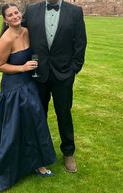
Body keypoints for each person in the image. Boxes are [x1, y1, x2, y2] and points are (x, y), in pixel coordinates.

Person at [0, 3, 57, 193]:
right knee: (13, 128)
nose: (15, 16)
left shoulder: (27, 31)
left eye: (16, 12)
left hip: (29, 85)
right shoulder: (6, 39)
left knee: (35, 123)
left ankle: (39, 164)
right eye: (10, 15)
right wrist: (22, 68)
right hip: (13, 88)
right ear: (5, 19)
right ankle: (9, 167)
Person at [23, 0, 87, 173]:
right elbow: (19, 33)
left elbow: (80, 42)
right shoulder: (31, 10)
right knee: (38, 114)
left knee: (64, 114)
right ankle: (38, 154)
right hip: (38, 73)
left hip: (63, 74)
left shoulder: (75, 12)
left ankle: (68, 153)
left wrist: (74, 68)